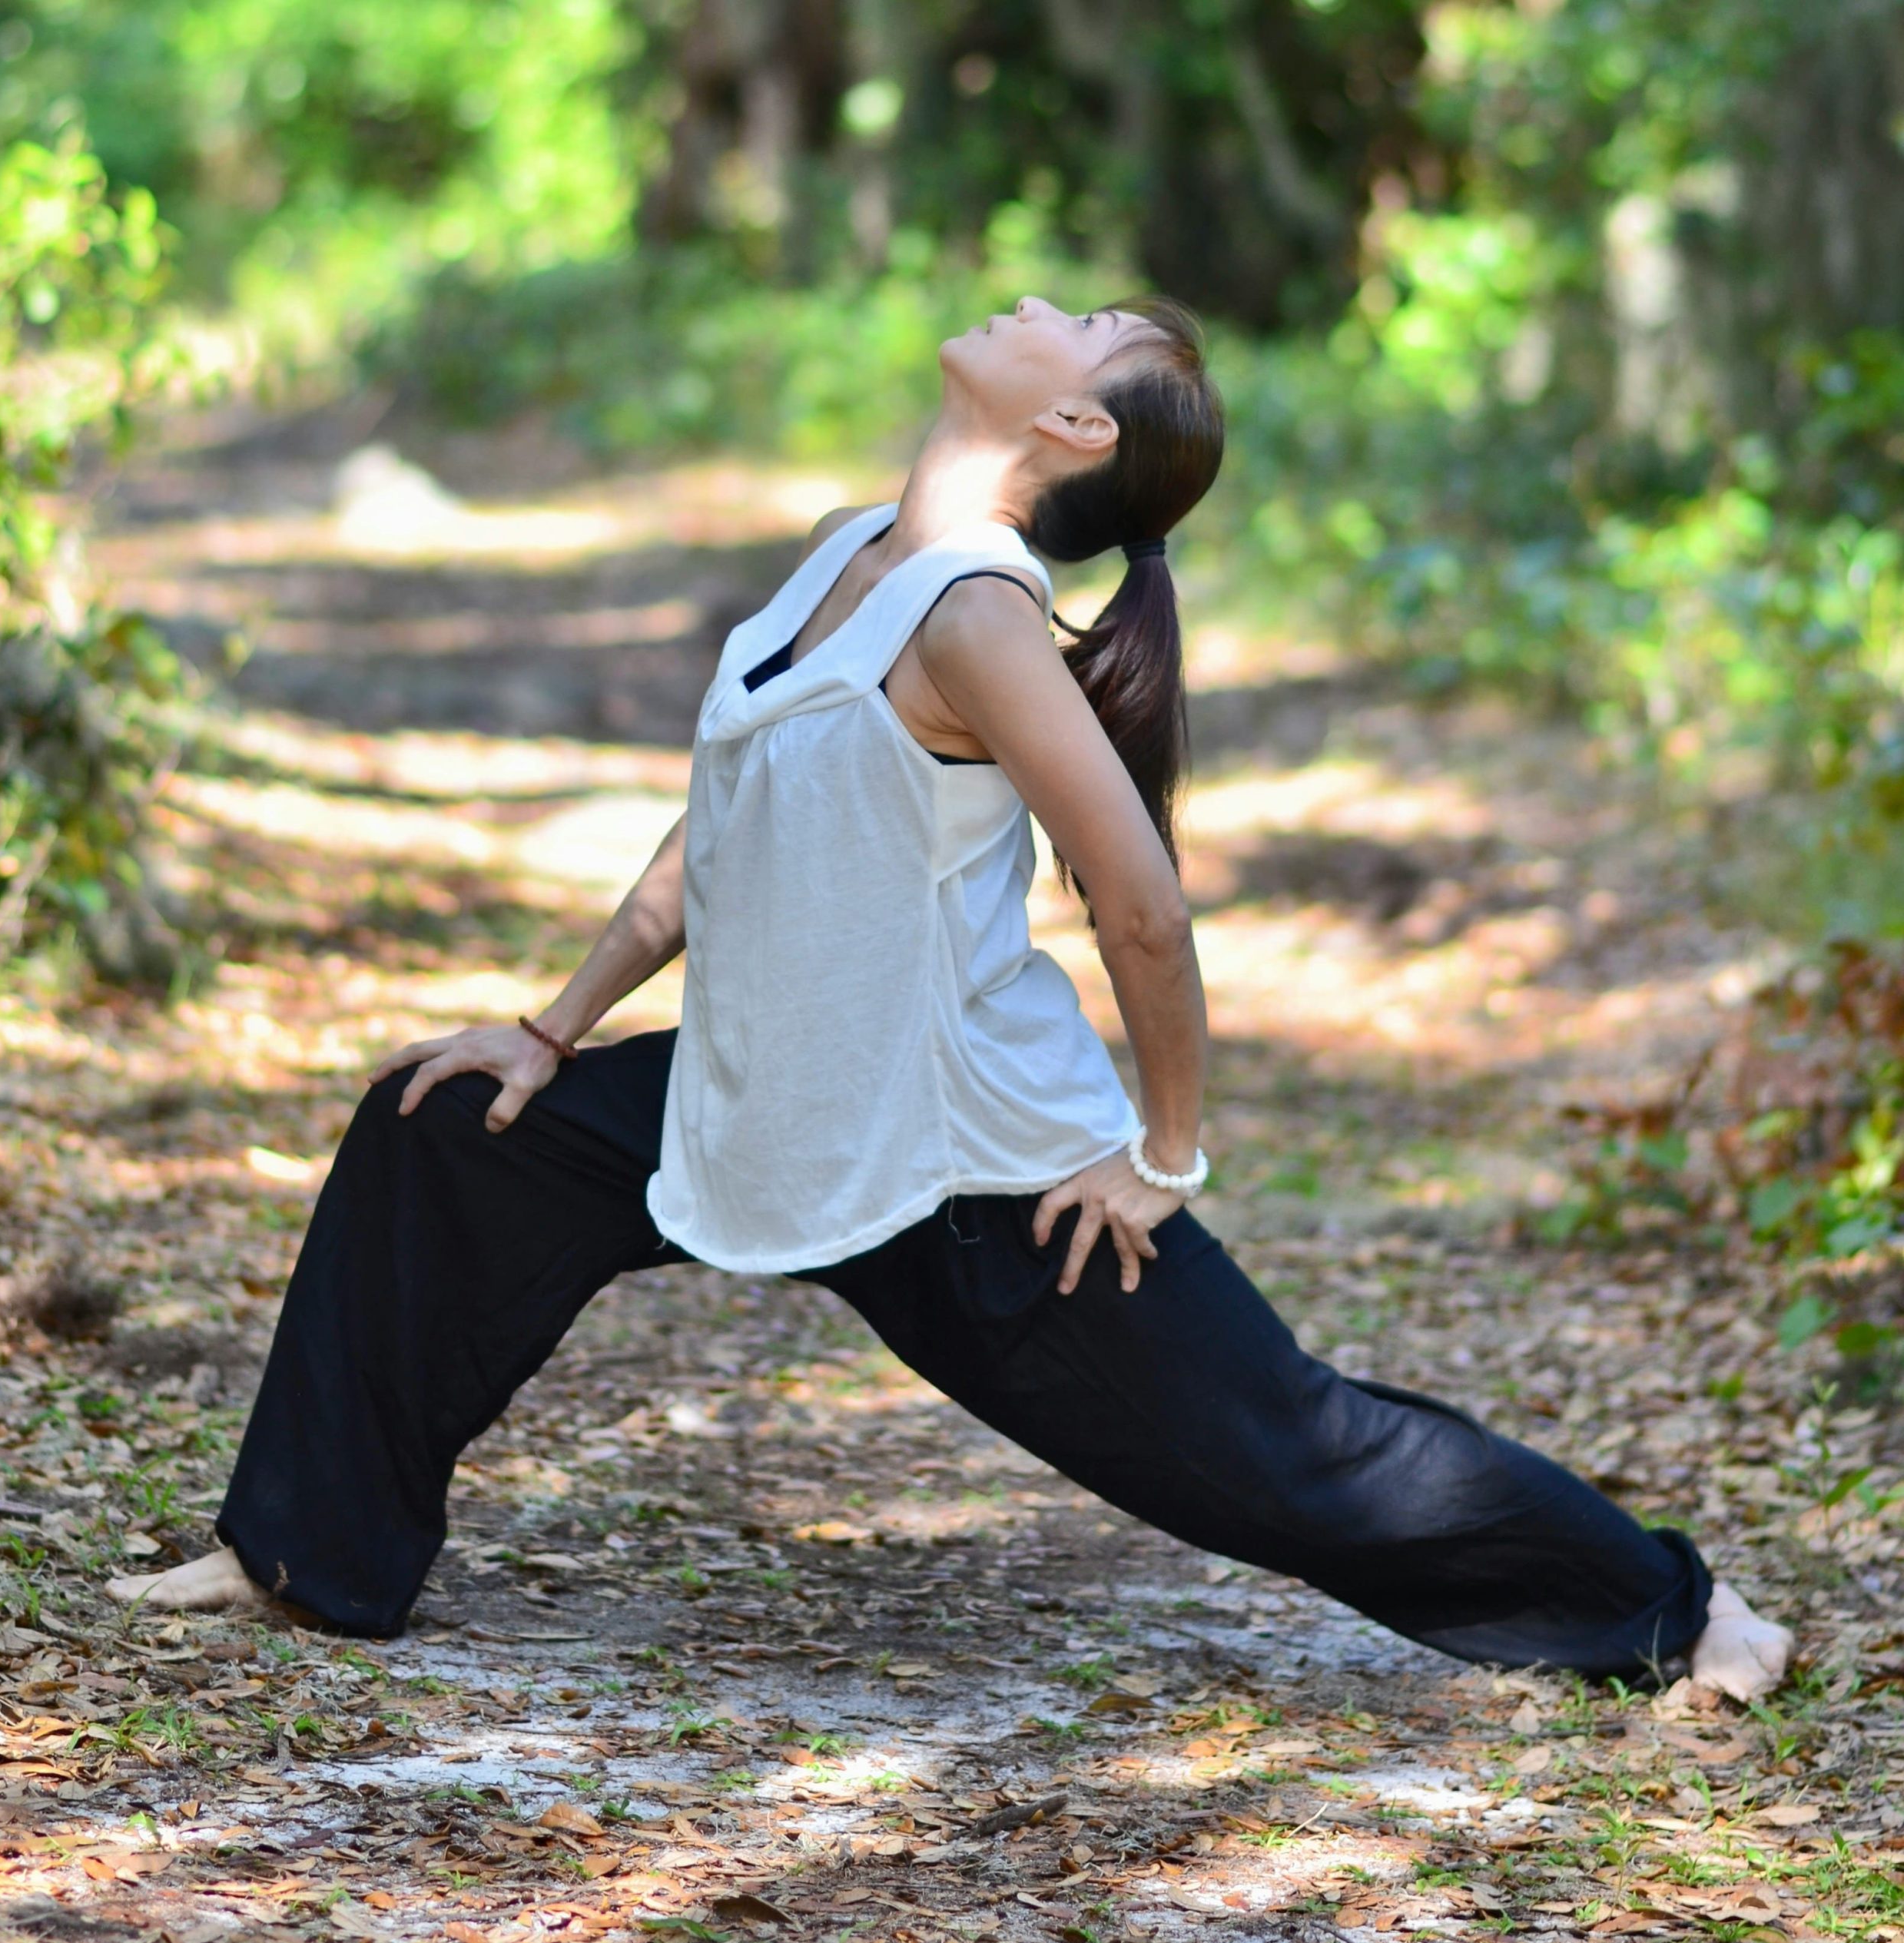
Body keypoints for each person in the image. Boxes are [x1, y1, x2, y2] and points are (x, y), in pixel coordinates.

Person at [109, 296, 1789, 1702]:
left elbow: (1136, 897)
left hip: (966, 1161)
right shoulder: (858, 547)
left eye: (1079, 322)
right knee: (444, 1134)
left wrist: (1164, 1148)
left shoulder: (979, 614)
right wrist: (553, 1028)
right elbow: (726, 825)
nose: (1031, 301)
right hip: (776, 1096)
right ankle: (297, 1558)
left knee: (1290, 1448)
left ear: (1070, 422)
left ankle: (1675, 1613)